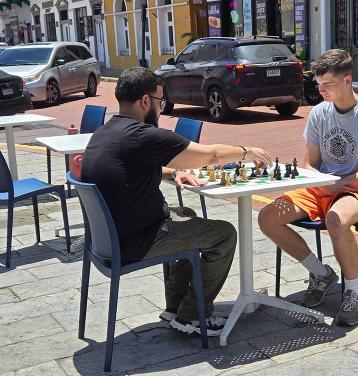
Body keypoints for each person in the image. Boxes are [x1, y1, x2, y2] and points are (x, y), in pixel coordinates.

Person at [81, 67, 272, 336]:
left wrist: (173, 172)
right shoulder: (142, 135)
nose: (161, 110)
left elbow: (128, 169)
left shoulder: (105, 132)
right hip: (137, 241)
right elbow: (211, 156)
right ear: (145, 101)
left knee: (187, 213)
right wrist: (246, 152)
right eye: (160, 102)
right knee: (224, 234)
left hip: (110, 241)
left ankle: (175, 308)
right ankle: (193, 316)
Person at [258, 49, 358, 326]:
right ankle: (320, 272)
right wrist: (317, 182)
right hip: (321, 186)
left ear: (347, 80)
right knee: (267, 217)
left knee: (335, 219)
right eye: (318, 85)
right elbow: (309, 164)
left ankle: (353, 291)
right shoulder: (318, 113)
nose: (321, 91)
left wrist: (328, 185)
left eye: (327, 85)